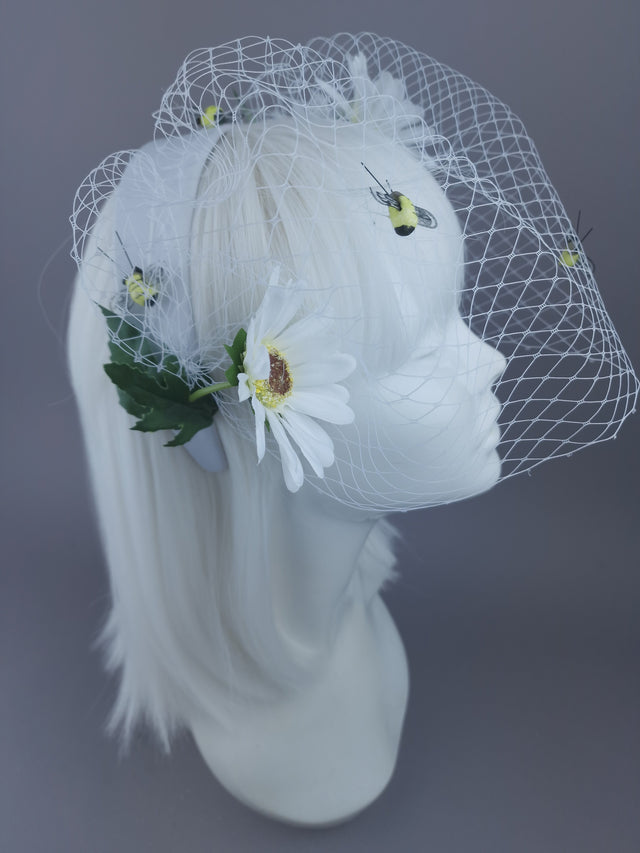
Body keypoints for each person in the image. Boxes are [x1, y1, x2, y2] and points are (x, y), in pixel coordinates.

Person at [68, 34, 637, 825]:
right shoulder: (268, 740)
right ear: (259, 404)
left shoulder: (359, 615)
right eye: (419, 348)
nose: (492, 359)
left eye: (456, 314)